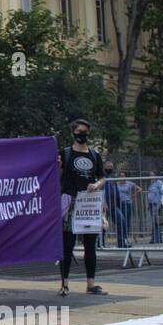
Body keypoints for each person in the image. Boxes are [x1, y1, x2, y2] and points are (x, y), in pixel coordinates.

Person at [59, 117, 107, 298]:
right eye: (79, 132)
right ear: (73, 132)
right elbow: (56, 174)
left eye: (85, 132)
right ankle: (64, 283)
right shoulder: (65, 153)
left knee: (90, 244)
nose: (83, 135)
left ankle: (91, 284)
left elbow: (102, 176)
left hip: (89, 203)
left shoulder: (94, 155)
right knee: (67, 244)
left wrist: (97, 185)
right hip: (70, 202)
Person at [114, 166, 136, 249]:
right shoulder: (116, 184)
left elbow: (139, 189)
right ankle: (121, 240)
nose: (122, 177)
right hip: (119, 204)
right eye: (120, 176)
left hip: (127, 204)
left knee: (126, 222)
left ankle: (125, 239)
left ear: (125, 177)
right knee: (120, 222)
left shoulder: (129, 183)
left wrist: (132, 196)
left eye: (123, 176)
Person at [148, 176, 163, 244]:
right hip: (152, 204)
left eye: (152, 175)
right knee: (154, 222)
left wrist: (160, 203)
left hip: (156, 204)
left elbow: (162, 193)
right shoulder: (152, 183)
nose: (150, 177)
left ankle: (157, 239)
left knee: (156, 222)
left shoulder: (159, 183)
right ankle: (155, 238)